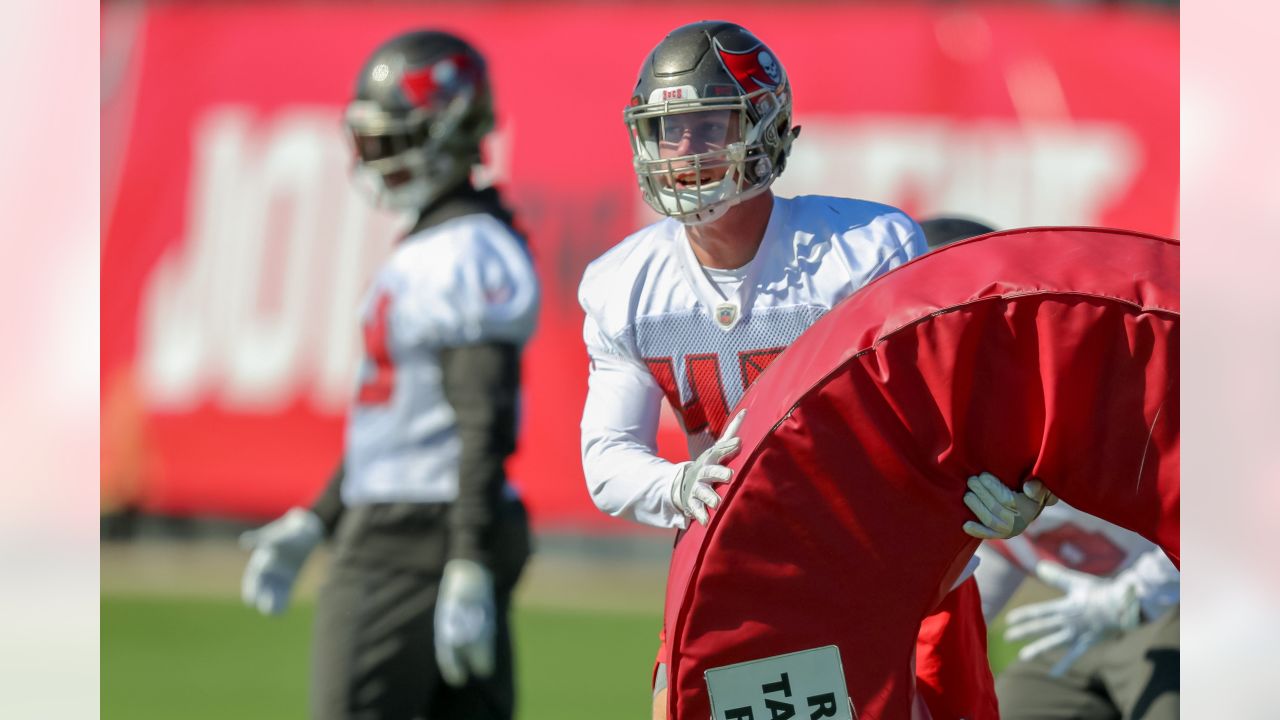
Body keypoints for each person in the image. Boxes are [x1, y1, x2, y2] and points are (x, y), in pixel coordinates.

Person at [576, 21, 1053, 720]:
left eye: (709, 125)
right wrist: (676, 485)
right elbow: (608, 457)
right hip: (738, 576)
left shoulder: (860, 252)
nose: (685, 151)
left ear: (764, 128)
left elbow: (944, 416)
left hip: (891, 572)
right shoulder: (625, 283)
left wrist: (1006, 480)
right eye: (669, 129)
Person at [239, 30, 539, 720]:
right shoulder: (440, 246)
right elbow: (403, 427)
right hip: (427, 519)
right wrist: (319, 518)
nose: (372, 157)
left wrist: (465, 556)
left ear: (448, 130)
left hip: (412, 534)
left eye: (388, 139)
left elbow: (481, 418)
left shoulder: (462, 253)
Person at [923, 216, 1181, 719]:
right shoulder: (935, 433)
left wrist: (1134, 596)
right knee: (1018, 706)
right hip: (1077, 628)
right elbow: (987, 568)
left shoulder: (1107, 394)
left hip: (1180, 609)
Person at [974, 504, 1180, 719]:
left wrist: (1131, 598)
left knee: (1168, 705)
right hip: (1083, 630)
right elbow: (979, 584)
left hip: (1179, 613)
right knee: (1013, 708)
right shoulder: (992, 487)